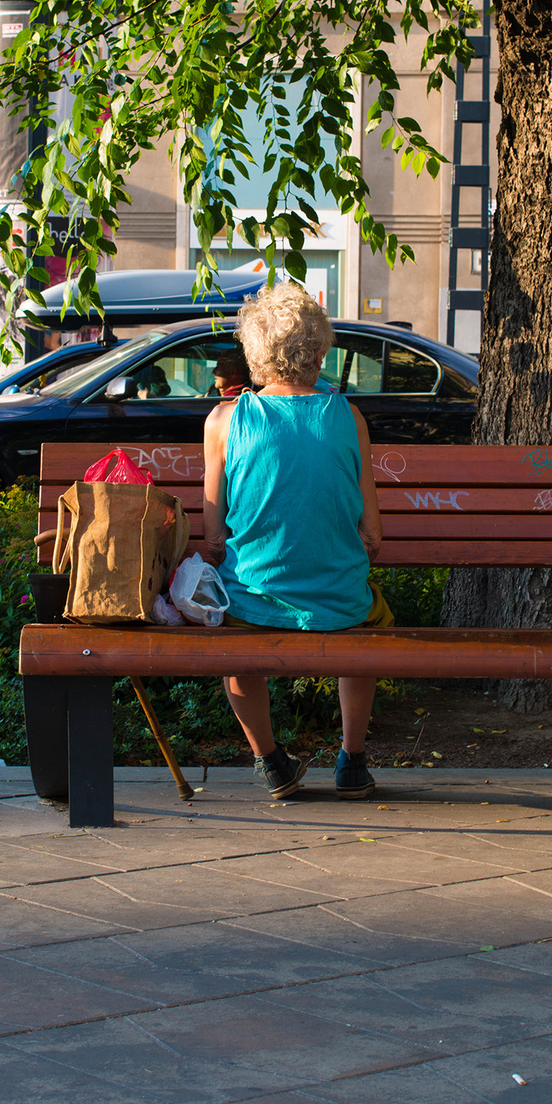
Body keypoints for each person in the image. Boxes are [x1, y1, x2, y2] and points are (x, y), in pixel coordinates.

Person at [202, 282, 390, 801]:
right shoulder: (347, 416)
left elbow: (214, 537)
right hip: (340, 600)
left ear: (255, 352)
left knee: (237, 653)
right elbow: (373, 534)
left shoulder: (223, 421)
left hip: (252, 600)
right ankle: (352, 761)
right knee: (367, 630)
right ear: (320, 350)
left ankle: (271, 763)